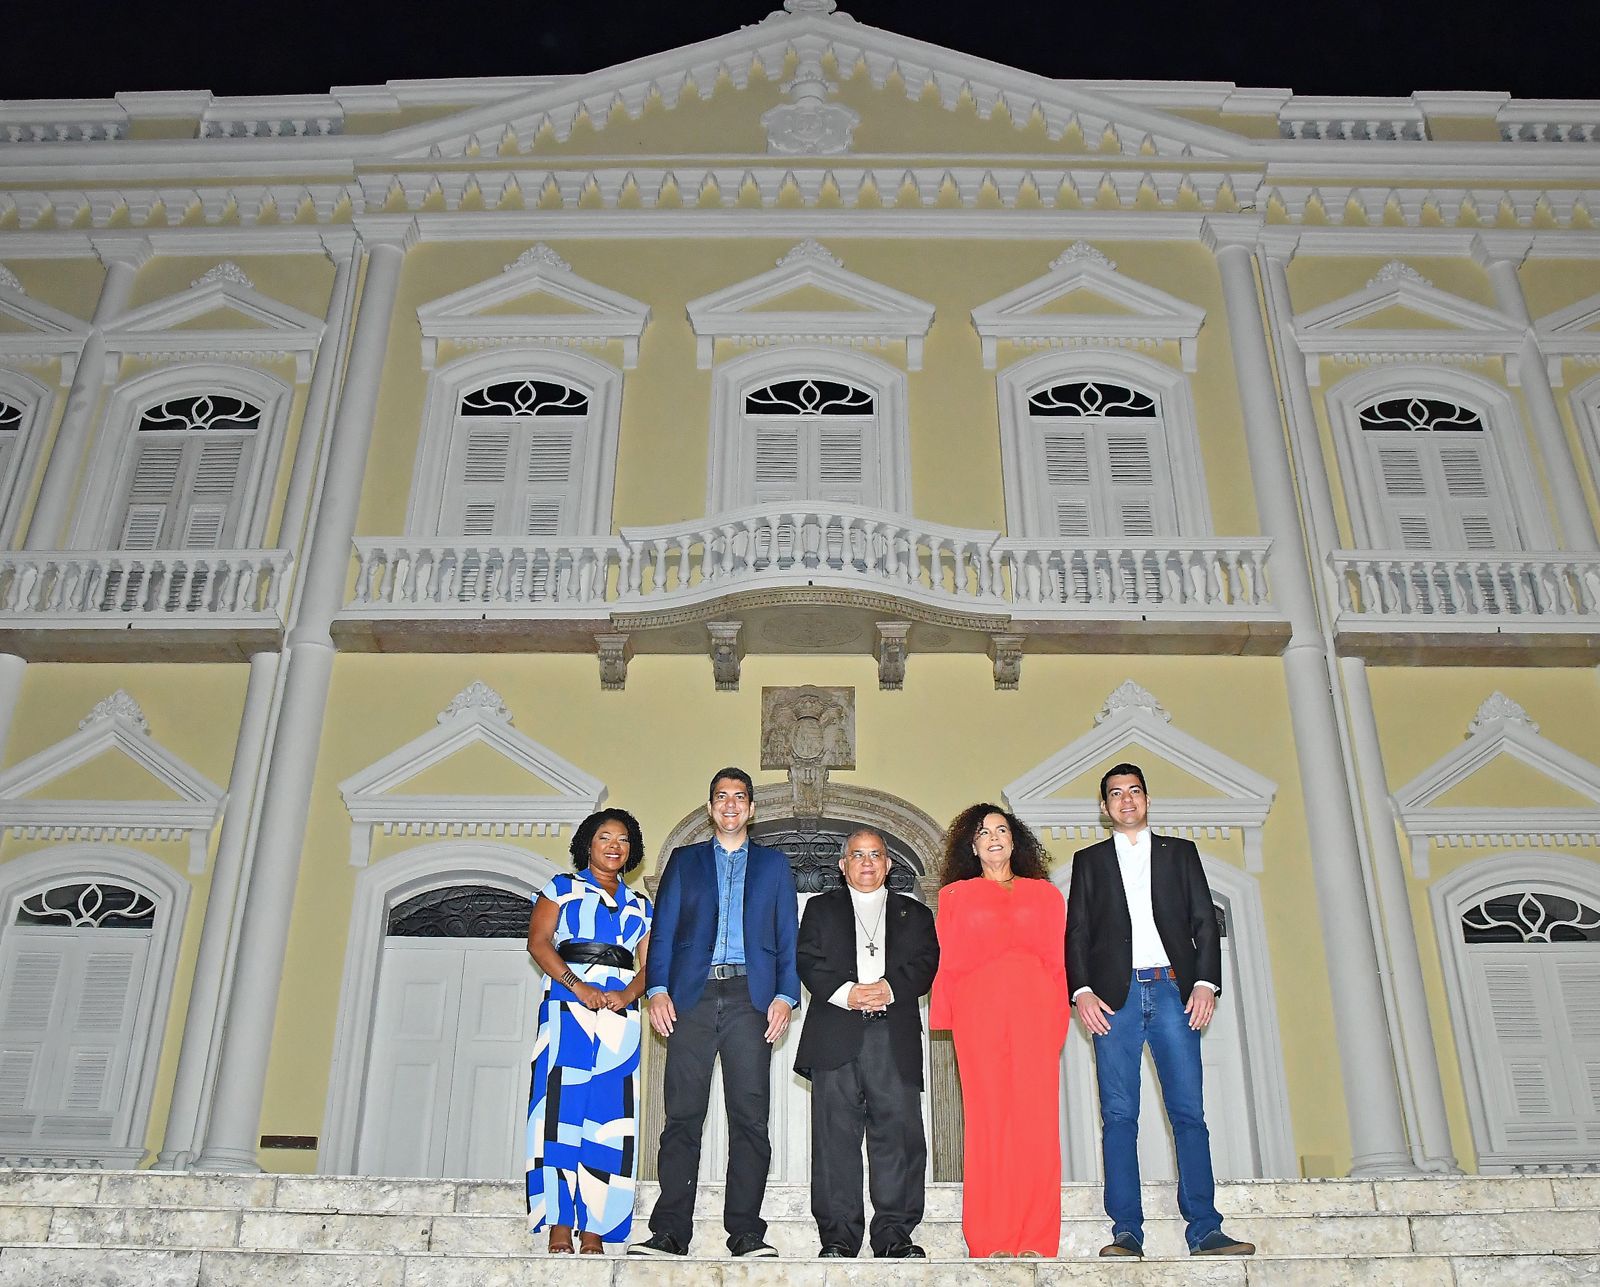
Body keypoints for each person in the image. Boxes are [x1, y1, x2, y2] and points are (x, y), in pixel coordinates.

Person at [1066, 763, 1254, 1259]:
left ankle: (1206, 1230)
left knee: (1189, 1113)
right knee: (1119, 1115)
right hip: (1114, 999)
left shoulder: (1180, 854)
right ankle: (1126, 1232)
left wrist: (1206, 983)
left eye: (1134, 792)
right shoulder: (1090, 862)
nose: (1126, 800)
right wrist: (1081, 990)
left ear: (1146, 800)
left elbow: (1203, 921)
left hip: (1174, 992)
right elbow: (1078, 932)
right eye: (1115, 794)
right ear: (1104, 808)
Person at [629, 767, 801, 1259]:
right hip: (692, 998)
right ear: (710, 808)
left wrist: (785, 996)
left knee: (750, 1119)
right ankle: (670, 1233)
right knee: (682, 1116)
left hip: (752, 998)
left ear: (752, 808)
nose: (730, 805)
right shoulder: (685, 862)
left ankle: (746, 1232)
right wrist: (657, 989)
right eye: (720, 797)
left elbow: (787, 935)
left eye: (739, 797)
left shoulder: (774, 866)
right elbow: (662, 933)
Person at [929, 803, 1070, 1258]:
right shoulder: (955, 896)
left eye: (1002, 829)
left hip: (1036, 1013)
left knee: (1036, 1124)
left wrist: (1057, 1021)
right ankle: (991, 1239)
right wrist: (945, 1021)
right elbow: (946, 962)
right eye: (983, 831)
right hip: (978, 1016)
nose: (994, 837)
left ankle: (1036, 1239)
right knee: (989, 1123)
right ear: (971, 845)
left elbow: (1057, 963)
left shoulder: (1046, 895)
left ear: (1015, 839)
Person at [794, 828, 939, 1259]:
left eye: (876, 855)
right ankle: (838, 1237)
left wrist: (890, 988)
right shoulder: (820, 909)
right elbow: (807, 960)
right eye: (858, 855)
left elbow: (927, 963)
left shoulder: (914, 914)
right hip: (835, 1032)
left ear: (889, 864)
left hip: (892, 1036)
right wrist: (846, 992)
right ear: (843, 865)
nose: (868, 863)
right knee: (835, 1139)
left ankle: (895, 1235)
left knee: (898, 1137)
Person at [524, 807, 654, 1255]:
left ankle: (596, 1225)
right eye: (605, 838)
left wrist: (630, 994)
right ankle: (560, 1223)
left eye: (622, 839)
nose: (614, 846)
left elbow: (650, 962)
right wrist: (578, 986)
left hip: (621, 1016)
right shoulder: (561, 888)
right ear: (588, 844)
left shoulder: (641, 904)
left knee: (609, 1121)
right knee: (561, 1111)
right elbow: (538, 943)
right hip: (567, 1006)